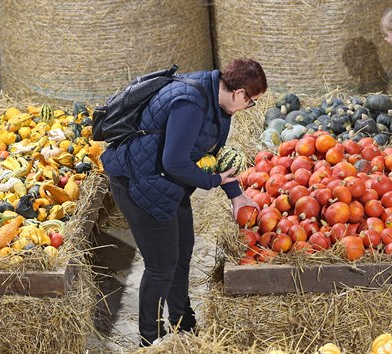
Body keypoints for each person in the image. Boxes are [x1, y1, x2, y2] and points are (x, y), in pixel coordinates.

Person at [100, 58, 267, 347]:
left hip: (165, 182)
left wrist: (236, 194)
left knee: (183, 251)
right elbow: (174, 162)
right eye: (251, 102)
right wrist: (213, 182)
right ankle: (150, 340)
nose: (248, 107)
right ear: (239, 93)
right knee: (160, 265)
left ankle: (182, 320)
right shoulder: (190, 104)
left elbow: (213, 154)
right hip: (139, 183)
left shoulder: (216, 99)